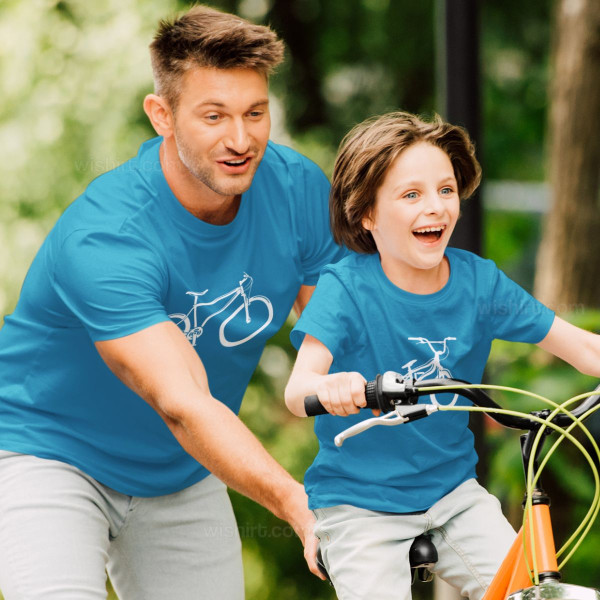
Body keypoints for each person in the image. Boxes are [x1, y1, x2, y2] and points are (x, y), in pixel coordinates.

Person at [0, 5, 345, 599]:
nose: (240, 140)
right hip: (50, 453)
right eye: (214, 116)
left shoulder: (296, 191)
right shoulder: (107, 234)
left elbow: (344, 333)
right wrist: (295, 501)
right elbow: (182, 402)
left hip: (182, 470)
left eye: (255, 113)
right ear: (162, 115)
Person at [284, 111, 600, 600]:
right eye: (411, 195)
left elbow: (582, 347)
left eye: (445, 190)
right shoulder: (344, 288)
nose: (435, 207)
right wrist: (332, 387)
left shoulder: (480, 283)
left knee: (528, 593)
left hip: (454, 495)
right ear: (366, 214)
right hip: (360, 503)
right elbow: (297, 390)